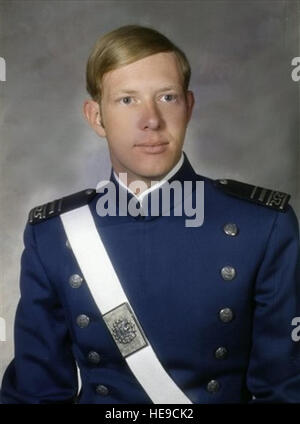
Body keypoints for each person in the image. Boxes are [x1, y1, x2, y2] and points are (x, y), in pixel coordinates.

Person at [1, 24, 300, 404]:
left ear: (189, 107)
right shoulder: (54, 235)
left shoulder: (265, 226)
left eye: (167, 97)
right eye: (127, 100)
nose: (152, 120)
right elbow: (34, 395)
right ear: (96, 117)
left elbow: (287, 391)